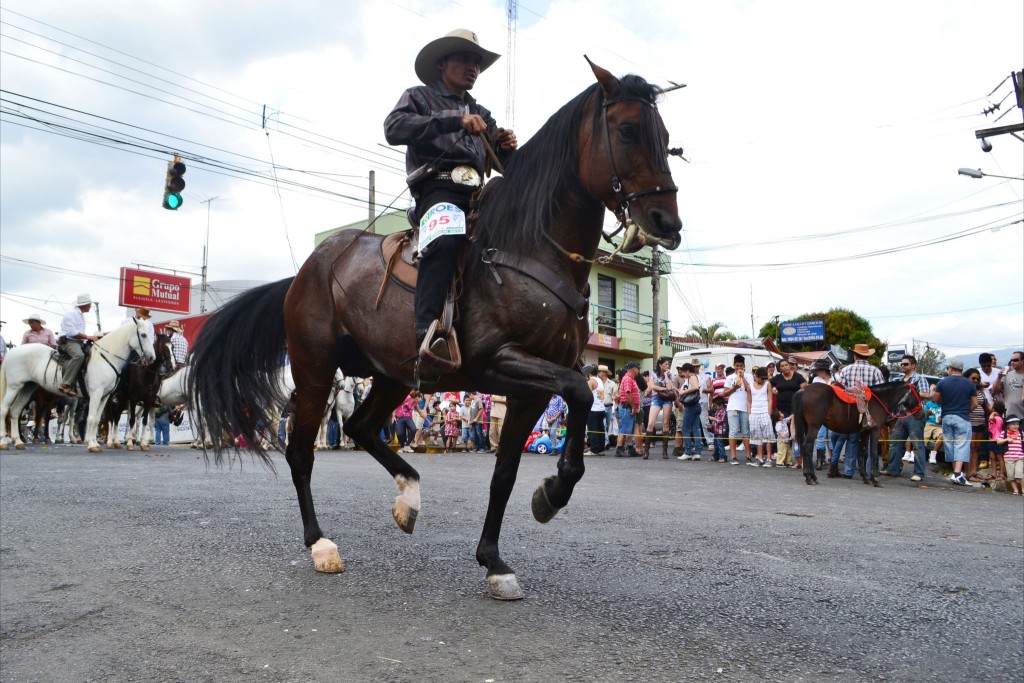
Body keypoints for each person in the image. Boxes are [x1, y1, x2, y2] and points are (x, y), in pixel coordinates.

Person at [384, 28, 517, 377]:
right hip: (438, 189)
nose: (473, 66)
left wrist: (505, 146)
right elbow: (393, 128)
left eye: (476, 62)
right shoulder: (418, 97)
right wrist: (454, 120)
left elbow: (500, 165)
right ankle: (426, 337)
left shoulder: (482, 113)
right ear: (442, 64)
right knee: (445, 242)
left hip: (479, 194)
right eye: (464, 59)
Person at [884, 354, 932, 482]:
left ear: (913, 365)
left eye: (905, 364)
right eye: (902, 364)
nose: (902, 366)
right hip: (901, 415)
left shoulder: (919, 379)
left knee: (917, 444)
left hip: (915, 415)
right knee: (895, 442)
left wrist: (910, 391)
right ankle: (893, 469)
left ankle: (919, 473)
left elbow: (926, 394)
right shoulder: (900, 380)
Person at [932, 359, 979, 486]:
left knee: (950, 445)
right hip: (962, 416)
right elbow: (975, 403)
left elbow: (935, 399)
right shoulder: (969, 384)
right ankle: (958, 474)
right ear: (961, 369)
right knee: (962, 445)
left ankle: (955, 473)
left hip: (946, 416)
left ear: (950, 368)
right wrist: (967, 409)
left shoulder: (942, 382)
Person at [834, 344, 885, 428]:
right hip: (870, 410)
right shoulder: (876, 371)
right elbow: (881, 393)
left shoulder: (846, 369)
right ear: (868, 356)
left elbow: (840, 389)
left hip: (850, 409)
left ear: (855, 356)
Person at [58, 293, 97, 397]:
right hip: (68, 341)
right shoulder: (71, 314)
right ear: (84, 304)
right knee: (79, 355)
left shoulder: (80, 315)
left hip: (78, 342)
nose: (90, 306)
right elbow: (71, 333)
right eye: (89, 304)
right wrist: (89, 337)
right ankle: (65, 384)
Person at [722, 354, 753, 465]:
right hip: (733, 407)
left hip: (745, 407)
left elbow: (750, 390)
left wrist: (742, 377)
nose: (739, 368)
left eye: (741, 366)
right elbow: (724, 393)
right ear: (734, 365)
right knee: (733, 431)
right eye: (737, 366)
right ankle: (733, 456)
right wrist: (734, 388)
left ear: (744, 366)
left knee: (746, 431)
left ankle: (748, 456)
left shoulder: (749, 376)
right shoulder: (730, 377)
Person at [644, 357, 675, 459]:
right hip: (656, 397)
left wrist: (666, 375)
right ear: (660, 365)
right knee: (650, 423)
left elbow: (670, 387)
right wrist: (664, 388)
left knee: (666, 423)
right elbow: (653, 386)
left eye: (668, 364)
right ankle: (646, 451)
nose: (668, 366)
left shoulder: (669, 374)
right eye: (666, 364)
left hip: (667, 398)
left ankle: (664, 451)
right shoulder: (652, 373)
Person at [747, 367, 775, 467]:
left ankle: (769, 458)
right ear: (756, 376)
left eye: (765, 378)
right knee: (756, 436)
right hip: (754, 413)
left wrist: (769, 413)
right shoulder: (750, 386)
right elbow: (749, 401)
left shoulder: (767, 384)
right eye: (762, 378)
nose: (763, 380)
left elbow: (770, 399)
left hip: (764, 412)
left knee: (767, 436)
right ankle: (760, 458)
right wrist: (749, 414)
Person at [675, 363, 702, 460]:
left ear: (687, 371)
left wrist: (683, 392)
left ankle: (688, 451)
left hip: (691, 406)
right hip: (695, 405)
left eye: (684, 372)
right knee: (695, 429)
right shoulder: (692, 377)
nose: (683, 374)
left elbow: (695, 387)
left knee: (685, 428)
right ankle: (698, 452)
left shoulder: (692, 377)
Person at [615, 362, 642, 458]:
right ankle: (619, 448)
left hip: (630, 407)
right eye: (638, 368)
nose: (638, 370)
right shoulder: (627, 379)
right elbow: (627, 393)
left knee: (629, 429)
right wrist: (633, 406)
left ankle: (630, 448)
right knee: (624, 429)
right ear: (633, 369)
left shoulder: (631, 379)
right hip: (627, 407)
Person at [994, 415, 1022, 495]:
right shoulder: (1004, 433)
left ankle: (1023, 490)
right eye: (1013, 424)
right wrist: (1007, 439)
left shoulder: (1021, 433)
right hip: (1008, 457)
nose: (1016, 426)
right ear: (1008, 425)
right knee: (1010, 475)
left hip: (1020, 457)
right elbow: (998, 442)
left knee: (1019, 473)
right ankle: (1015, 489)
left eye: (1017, 424)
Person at [582, 365, 607, 455]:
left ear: (589, 373)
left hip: (593, 409)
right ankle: (600, 447)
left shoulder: (591, 381)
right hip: (601, 408)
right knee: (600, 429)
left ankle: (594, 449)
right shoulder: (599, 380)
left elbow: (586, 395)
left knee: (593, 430)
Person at [1001, 351, 1024, 426]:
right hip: (1009, 416)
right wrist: (998, 377)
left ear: (1022, 361)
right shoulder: (1007, 375)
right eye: (1011, 360)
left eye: (1015, 360)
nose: (1012, 362)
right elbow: (996, 391)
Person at [707, 396, 728, 462]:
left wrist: (713, 418)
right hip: (716, 431)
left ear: (721, 405)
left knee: (720, 444)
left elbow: (720, 420)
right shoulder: (717, 411)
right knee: (716, 444)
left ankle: (723, 457)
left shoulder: (723, 411)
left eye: (716, 406)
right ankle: (715, 456)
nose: (715, 408)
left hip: (720, 431)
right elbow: (715, 422)